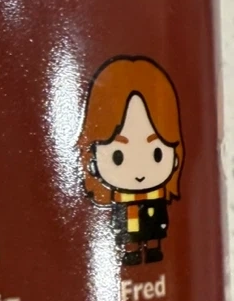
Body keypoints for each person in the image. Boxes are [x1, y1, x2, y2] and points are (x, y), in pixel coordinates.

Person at [77, 56, 183, 266]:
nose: (139, 172)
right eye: (118, 156)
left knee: (153, 227)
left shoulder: (157, 194)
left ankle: (152, 248)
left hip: (153, 207)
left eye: (157, 154)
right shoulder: (120, 197)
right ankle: (132, 250)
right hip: (129, 211)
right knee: (129, 228)